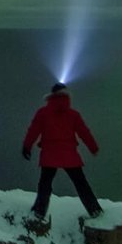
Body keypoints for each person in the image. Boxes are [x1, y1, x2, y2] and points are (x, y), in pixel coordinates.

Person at [22, 82, 103, 219]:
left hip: (49, 154)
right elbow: (84, 132)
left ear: (51, 96)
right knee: (81, 184)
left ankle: (39, 211)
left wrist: (27, 147)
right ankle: (94, 209)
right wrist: (93, 148)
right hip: (69, 154)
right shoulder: (73, 115)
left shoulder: (43, 113)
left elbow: (33, 131)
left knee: (45, 184)